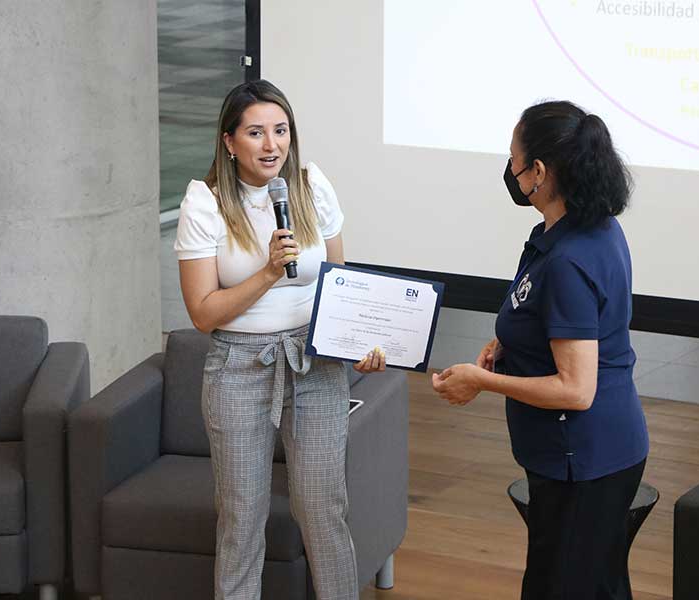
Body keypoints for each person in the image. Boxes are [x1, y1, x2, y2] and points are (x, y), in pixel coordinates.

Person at [174, 79, 384, 600]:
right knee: (242, 515)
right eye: (256, 132)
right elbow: (202, 314)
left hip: (314, 363)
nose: (272, 145)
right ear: (229, 142)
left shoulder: (312, 186)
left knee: (323, 509)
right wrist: (268, 272)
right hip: (238, 367)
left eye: (281, 130)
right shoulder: (206, 202)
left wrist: (358, 342)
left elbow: (340, 283)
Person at [432, 100, 649, 600]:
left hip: (585, 459)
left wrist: (480, 380)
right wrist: (509, 345)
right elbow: (547, 322)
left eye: (513, 159)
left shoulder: (570, 259)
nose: (509, 170)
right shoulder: (569, 231)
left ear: (540, 172)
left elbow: (575, 390)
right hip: (596, 453)